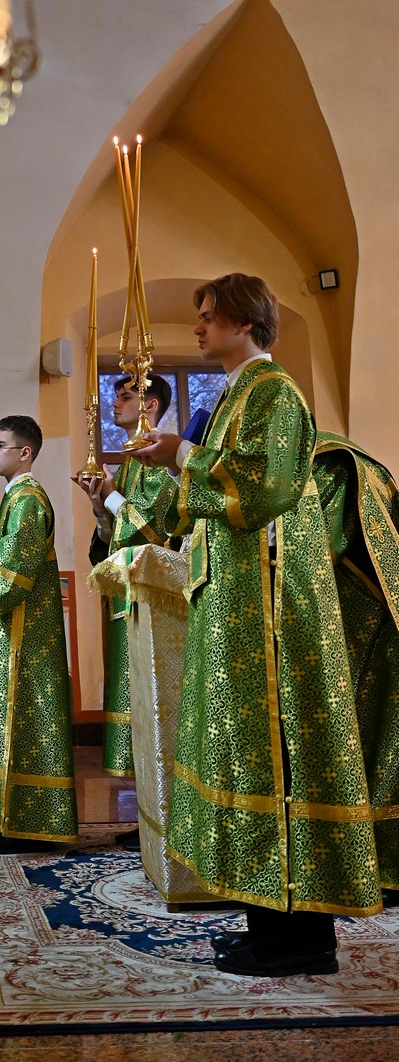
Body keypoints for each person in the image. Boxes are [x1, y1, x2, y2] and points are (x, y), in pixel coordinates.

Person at [137, 273, 398, 977]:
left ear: (244, 321)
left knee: (281, 763)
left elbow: (263, 487)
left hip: (273, 613)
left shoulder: (274, 392)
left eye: (207, 316)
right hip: (239, 606)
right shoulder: (234, 396)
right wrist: (168, 469)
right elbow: (203, 501)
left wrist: (181, 454)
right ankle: (269, 930)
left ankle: (300, 942)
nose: (197, 327)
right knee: (249, 760)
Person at [0, 415, 79, 853]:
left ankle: (32, 826)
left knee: (25, 724)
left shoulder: (28, 500)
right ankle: (14, 820)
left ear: (24, 453)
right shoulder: (15, 497)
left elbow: (15, 571)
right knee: (10, 725)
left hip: (27, 638)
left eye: (1, 445)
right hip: (14, 631)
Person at [78, 374, 179, 777]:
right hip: (125, 596)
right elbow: (112, 542)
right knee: (126, 686)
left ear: (150, 405)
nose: (115, 403)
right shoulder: (128, 465)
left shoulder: (159, 463)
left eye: (125, 396)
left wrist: (111, 496)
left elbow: (152, 531)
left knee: (149, 688)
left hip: (153, 597)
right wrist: (99, 507)